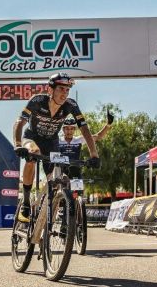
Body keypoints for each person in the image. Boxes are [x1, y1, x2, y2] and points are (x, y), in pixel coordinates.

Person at [13, 72, 100, 222]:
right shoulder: (37, 101)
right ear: (50, 89)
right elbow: (19, 122)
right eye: (61, 89)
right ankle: (26, 203)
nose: (64, 94)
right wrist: (18, 145)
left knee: (55, 178)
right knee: (33, 153)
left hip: (52, 141)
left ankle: (46, 208)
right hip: (32, 137)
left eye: (67, 90)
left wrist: (94, 154)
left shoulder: (71, 105)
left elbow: (84, 129)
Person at [59, 110, 114, 179]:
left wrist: (108, 124)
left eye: (71, 129)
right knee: (54, 183)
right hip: (60, 171)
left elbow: (98, 136)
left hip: (75, 170)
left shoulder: (78, 140)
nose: (69, 131)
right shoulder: (58, 141)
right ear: (63, 129)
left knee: (78, 188)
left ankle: (76, 189)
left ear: (75, 129)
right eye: (67, 129)